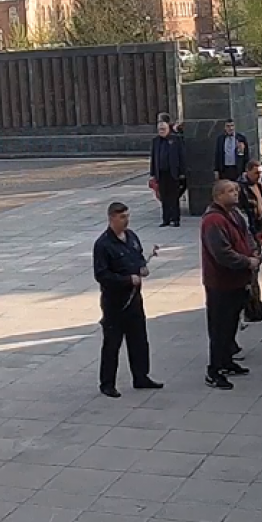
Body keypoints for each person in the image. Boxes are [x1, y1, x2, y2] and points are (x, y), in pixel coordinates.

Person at [93, 202, 162, 397]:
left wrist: (142, 268)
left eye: (127, 216)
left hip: (134, 299)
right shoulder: (103, 244)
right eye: (122, 217)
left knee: (139, 339)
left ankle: (141, 376)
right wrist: (126, 280)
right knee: (112, 343)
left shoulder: (131, 237)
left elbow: (138, 257)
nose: (126, 220)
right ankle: (107, 383)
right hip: (115, 302)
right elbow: (101, 275)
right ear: (111, 218)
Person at [200, 180, 258, 389]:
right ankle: (214, 370)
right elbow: (222, 253)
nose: (235, 194)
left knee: (231, 324)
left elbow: (247, 237)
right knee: (219, 328)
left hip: (237, 281)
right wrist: (246, 261)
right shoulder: (213, 221)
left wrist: (253, 252)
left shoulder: (234, 215)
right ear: (218, 196)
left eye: (236, 190)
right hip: (220, 283)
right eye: (230, 191)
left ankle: (227, 361)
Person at [149, 121, 187, 227]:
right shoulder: (155, 141)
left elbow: (181, 156)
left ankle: (175, 219)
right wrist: (152, 172)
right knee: (164, 197)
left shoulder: (175, 140)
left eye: (163, 129)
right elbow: (153, 157)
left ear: (168, 129)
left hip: (173, 173)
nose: (161, 131)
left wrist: (182, 172)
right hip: (161, 174)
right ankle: (166, 219)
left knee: (174, 197)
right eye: (160, 129)